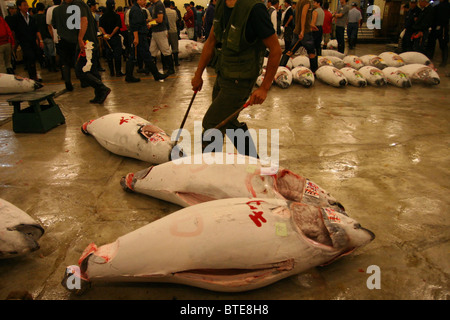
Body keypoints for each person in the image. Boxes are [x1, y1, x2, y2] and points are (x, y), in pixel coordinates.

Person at [191, 0, 282, 158]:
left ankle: (210, 169)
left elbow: (275, 49)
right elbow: (211, 42)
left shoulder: (254, 9)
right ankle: (254, 163)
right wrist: (198, 74)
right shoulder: (221, 6)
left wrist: (264, 87)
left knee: (211, 124)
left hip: (240, 80)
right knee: (229, 122)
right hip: (223, 74)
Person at [71, 0, 111, 103]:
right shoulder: (83, 5)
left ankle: (102, 88)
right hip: (92, 43)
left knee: (80, 70)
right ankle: (99, 94)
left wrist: (80, 39)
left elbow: (84, 21)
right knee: (93, 70)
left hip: (86, 44)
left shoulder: (76, 5)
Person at [126, 0, 169, 82]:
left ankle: (130, 76)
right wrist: (136, 38)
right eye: (143, 0)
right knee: (144, 55)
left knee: (140, 56)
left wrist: (147, 24)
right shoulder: (136, 10)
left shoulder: (138, 9)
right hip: (139, 36)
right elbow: (135, 25)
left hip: (140, 35)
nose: (145, 1)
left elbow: (140, 23)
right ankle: (156, 75)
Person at [9, 0, 44, 82]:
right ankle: (32, 76)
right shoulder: (16, 18)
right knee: (30, 57)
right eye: (24, 5)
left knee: (35, 57)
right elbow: (13, 31)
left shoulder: (31, 18)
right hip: (23, 41)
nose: (26, 7)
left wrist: (40, 40)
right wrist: (14, 43)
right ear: (19, 7)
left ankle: (34, 75)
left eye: (26, 5)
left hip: (32, 40)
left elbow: (36, 30)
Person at [280, 0, 318, 73]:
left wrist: (310, 25)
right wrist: (303, 30)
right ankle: (314, 71)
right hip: (305, 33)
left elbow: (301, 17)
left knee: (290, 51)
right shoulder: (307, 3)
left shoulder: (299, 2)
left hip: (297, 31)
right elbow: (303, 15)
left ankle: (281, 67)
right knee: (312, 52)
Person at [52, 0, 78, 91]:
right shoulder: (75, 8)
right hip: (74, 39)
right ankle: (82, 79)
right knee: (77, 60)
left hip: (62, 39)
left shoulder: (56, 10)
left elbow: (54, 25)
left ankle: (67, 81)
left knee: (64, 62)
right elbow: (78, 24)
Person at [149, 0, 175, 75]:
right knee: (152, 51)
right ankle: (150, 68)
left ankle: (171, 68)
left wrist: (149, 21)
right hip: (155, 31)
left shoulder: (159, 5)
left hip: (160, 31)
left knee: (165, 50)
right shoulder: (155, 5)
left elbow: (160, 20)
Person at [99, 0, 124, 77]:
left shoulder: (103, 16)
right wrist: (111, 34)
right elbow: (117, 26)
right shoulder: (116, 16)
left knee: (109, 55)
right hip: (115, 37)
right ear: (114, 6)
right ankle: (118, 71)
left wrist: (105, 34)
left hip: (107, 39)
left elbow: (100, 27)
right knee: (117, 55)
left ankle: (112, 72)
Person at [35, 2, 57, 73]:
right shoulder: (45, 17)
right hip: (48, 37)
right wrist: (52, 36)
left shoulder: (34, 17)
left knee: (46, 53)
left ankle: (49, 67)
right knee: (52, 53)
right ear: (43, 9)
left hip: (40, 38)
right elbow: (49, 27)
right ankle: (53, 67)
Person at [428, 0, 450, 66]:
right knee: (431, 43)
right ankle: (430, 59)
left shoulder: (446, 6)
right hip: (435, 27)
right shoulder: (437, 5)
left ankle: (444, 61)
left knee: (443, 45)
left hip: (443, 27)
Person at [164, 0, 180, 66]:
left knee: (166, 48)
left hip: (165, 32)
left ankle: (167, 63)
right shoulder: (174, 12)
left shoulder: (163, 12)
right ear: (170, 5)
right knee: (175, 48)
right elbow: (176, 19)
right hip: (173, 31)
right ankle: (176, 62)